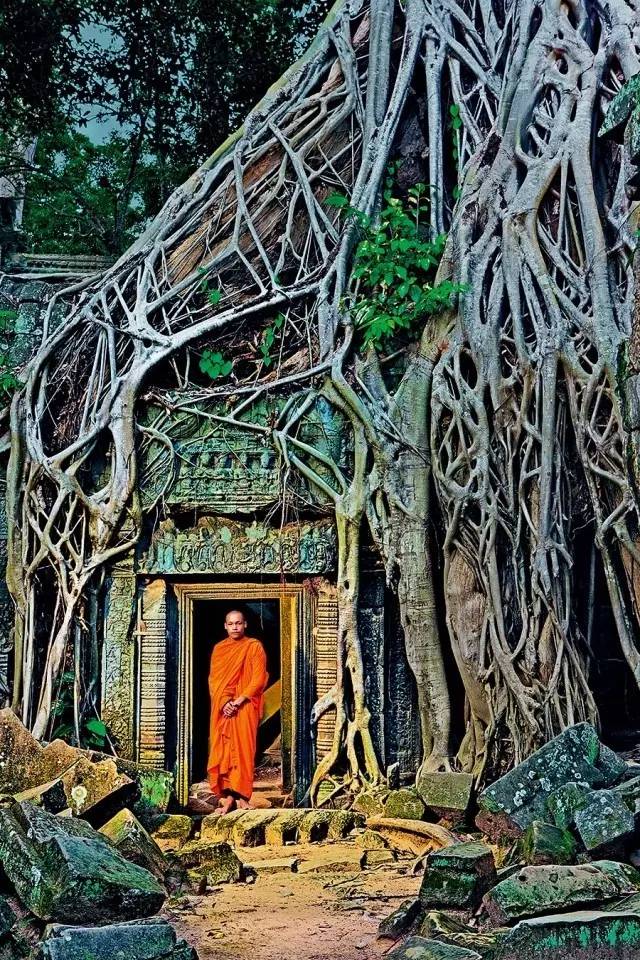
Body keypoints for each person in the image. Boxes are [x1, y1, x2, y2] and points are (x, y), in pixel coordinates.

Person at [207, 609, 268, 814]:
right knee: (224, 750)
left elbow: (258, 678)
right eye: (231, 623)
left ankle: (243, 796)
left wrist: (238, 701)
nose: (235, 627)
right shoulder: (219, 649)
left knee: (244, 750)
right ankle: (228, 797)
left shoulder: (254, 647)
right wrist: (225, 702)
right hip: (224, 709)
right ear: (225, 626)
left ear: (245, 625)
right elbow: (215, 681)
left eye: (238, 623)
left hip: (245, 707)